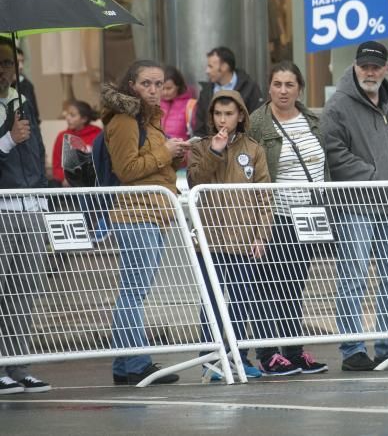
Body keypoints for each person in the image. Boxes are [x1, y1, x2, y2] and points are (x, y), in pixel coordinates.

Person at [321, 41, 388, 371]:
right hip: (355, 205)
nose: (369, 71)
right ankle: (352, 347)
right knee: (353, 277)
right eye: (364, 65)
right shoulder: (337, 105)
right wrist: (375, 176)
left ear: (386, 69)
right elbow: (334, 152)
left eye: (375, 66)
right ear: (355, 66)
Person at [103, 59, 189, 385]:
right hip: (136, 213)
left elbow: (147, 163)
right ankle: (137, 362)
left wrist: (173, 153)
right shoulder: (126, 119)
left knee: (134, 289)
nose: (154, 90)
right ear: (131, 85)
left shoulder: (149, 119)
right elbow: (126, 170)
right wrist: (167, 152)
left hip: (153, 212)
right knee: (134, 291)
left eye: (159, 84)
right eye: (147, 84)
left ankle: (124, 365)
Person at [247, 61, 328, 376]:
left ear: (300, 88)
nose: (283, 90)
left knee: (295, 285)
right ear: (269, 87)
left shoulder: (312, 120)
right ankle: (268, 354)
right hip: (274, 216)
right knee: (269, 285)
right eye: (277, 84)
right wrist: (255, 222)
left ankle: (294, 352)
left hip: (309, 215)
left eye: (289, 84)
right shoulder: (257, 122)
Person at [187, 90, 272, 381]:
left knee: (240, 301)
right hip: (209, 240)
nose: (223, 119)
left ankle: (237, 356)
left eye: (229, 114)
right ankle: (210, 361)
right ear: (212, 116)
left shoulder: (254, 149)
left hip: (244, 239)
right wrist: (215, 151)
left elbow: (265, 197)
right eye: (218, 114)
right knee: (210, 303)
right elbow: (195, 179)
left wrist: (261, 235)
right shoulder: (201, 147)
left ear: (240, 116)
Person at [0, 38, 52, 394]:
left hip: (30, 205)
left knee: (25, 290)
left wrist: (43, 199)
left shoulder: (22, 101)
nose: (4, 69)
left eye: (8, 62)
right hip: (3, 205)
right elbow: (14, 145)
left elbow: (37, 151)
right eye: (0, 63)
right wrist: (7, 139)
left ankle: (19, 366)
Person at [192, 47, 265, 137]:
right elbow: (199, 128)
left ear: (224, 67)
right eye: (217, 113)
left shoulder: (250, 88)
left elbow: (258, 123)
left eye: (210, 66)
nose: (207, 71)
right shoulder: (206, 92)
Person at [51, 100, 101, 186]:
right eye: (67, 114)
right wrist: (67, 178)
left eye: (72, 115)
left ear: (84, 119)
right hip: (68, 183)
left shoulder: (98, 135)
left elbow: (102, 163)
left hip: (93, 182)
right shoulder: (62, 136)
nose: (68, 118)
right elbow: (56, 166)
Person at [160, 65, 196, 141]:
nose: (165, 92)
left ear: (178, 86)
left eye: (169, 88)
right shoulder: (155, 103)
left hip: (181, 150)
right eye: (162, 88)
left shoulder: (189, 105)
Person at [14, 46, 40, 125]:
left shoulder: (27, 85)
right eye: (17, 62)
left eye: (22, 61)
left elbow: (34, 115)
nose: (21, 66)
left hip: (28, 133)